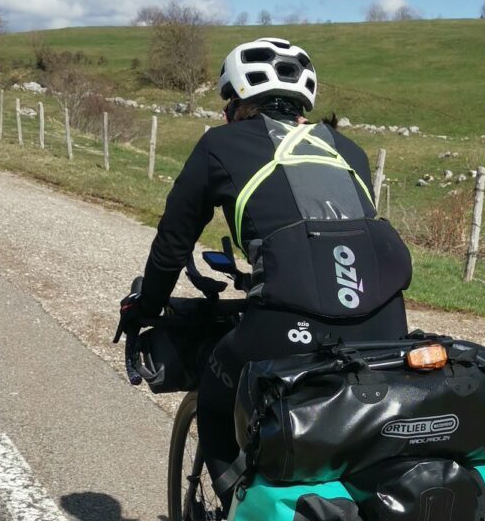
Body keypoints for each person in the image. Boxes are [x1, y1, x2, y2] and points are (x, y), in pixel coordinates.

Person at [119, 37, 413, 486]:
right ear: (302, 106)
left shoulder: (220, 145)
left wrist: (146, 306)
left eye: (227, 107)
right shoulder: (347, 150)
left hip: (286, 324)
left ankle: (237, 506)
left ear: (237, 104)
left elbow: (173, 243)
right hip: (387, 327)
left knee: (219, 386)